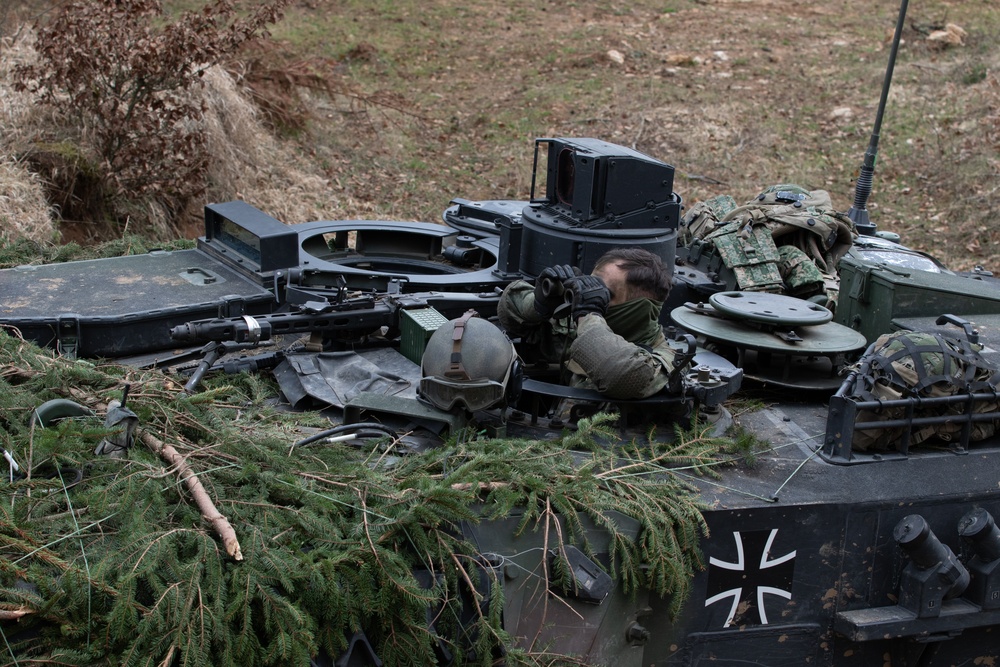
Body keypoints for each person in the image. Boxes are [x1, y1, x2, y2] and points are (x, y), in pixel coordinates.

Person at [497, 247, 681, 400]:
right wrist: (540, 303)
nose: (586, 297)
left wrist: (589, 314)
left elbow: (622, 373)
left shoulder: (665, 361)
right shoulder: (576, 327)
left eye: (603, 294)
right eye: (590, 285)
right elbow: (510, 310)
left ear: (638, 308)